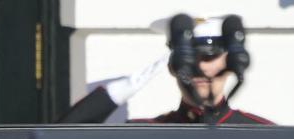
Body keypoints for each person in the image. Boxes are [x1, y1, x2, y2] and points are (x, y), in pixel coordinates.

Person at [60, 16, 273, 125]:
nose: (200, 68)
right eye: (189, 59)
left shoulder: (260, 133)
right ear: (173, 66)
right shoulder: (149, 133)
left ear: (228, 64)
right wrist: (123, 89)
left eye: (209, 57)